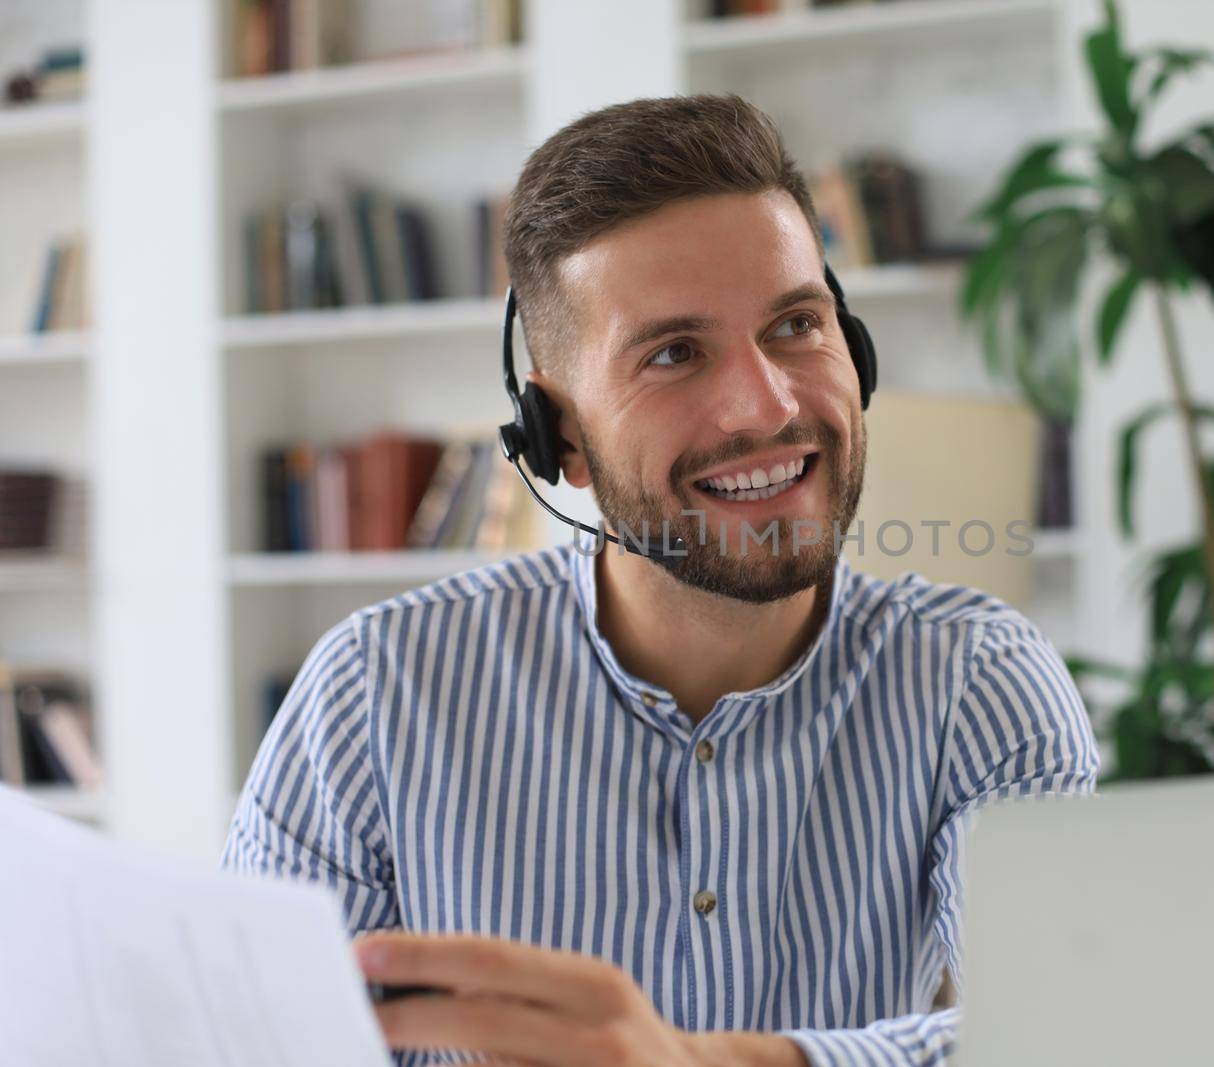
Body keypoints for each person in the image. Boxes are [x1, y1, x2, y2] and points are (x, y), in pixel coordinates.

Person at [221, 93, 1099, 1067]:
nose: (766, 405)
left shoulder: (978, 679)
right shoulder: (372, 695)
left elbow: (1061, 1029)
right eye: (674, 353)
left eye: (796, 324)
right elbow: (246, 1038)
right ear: (560, 441)